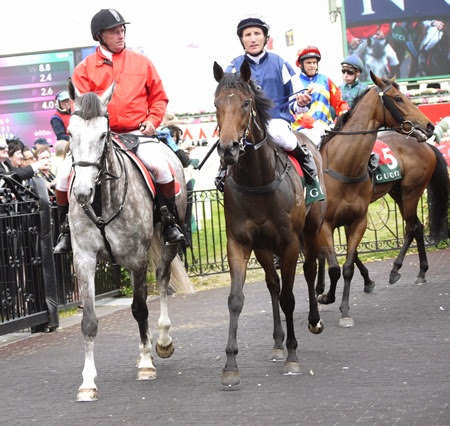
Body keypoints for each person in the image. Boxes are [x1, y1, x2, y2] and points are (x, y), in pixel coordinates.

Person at [53, 8, 184, 254]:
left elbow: (159, 98)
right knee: (62, 177)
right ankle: (65, 231)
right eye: (114, 31)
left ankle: (169, 223)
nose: (120, 35)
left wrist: (153, 121)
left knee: (162, 169)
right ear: (99, 36)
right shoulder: (84, 69)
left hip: (137, 133)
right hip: (99, 139)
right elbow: (79, 108)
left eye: (122, 30)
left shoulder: (141, 62)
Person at [215, 15, 318, 190]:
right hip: (243, 126)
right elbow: (225, 100)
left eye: (257, 33)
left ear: (265, 38)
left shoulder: (280, 63)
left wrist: (301, 102)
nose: (253, 39)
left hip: (276, 121)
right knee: (226, 140)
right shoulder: (233, 67)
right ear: (242, 40)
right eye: (247, 35)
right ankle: (223, 170)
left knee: (281, 135)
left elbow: (296, 103)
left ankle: (307, 162)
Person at [292, 46, 350, 147]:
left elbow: (339, 103)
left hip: (327, 128)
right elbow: (292, 112)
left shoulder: (325, 80)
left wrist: (345, 113)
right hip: (303, 131)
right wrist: (313, 124)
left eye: (314, 62)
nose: (312, 66)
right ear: (300, 65)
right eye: (308, 63)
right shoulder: (294, 82)